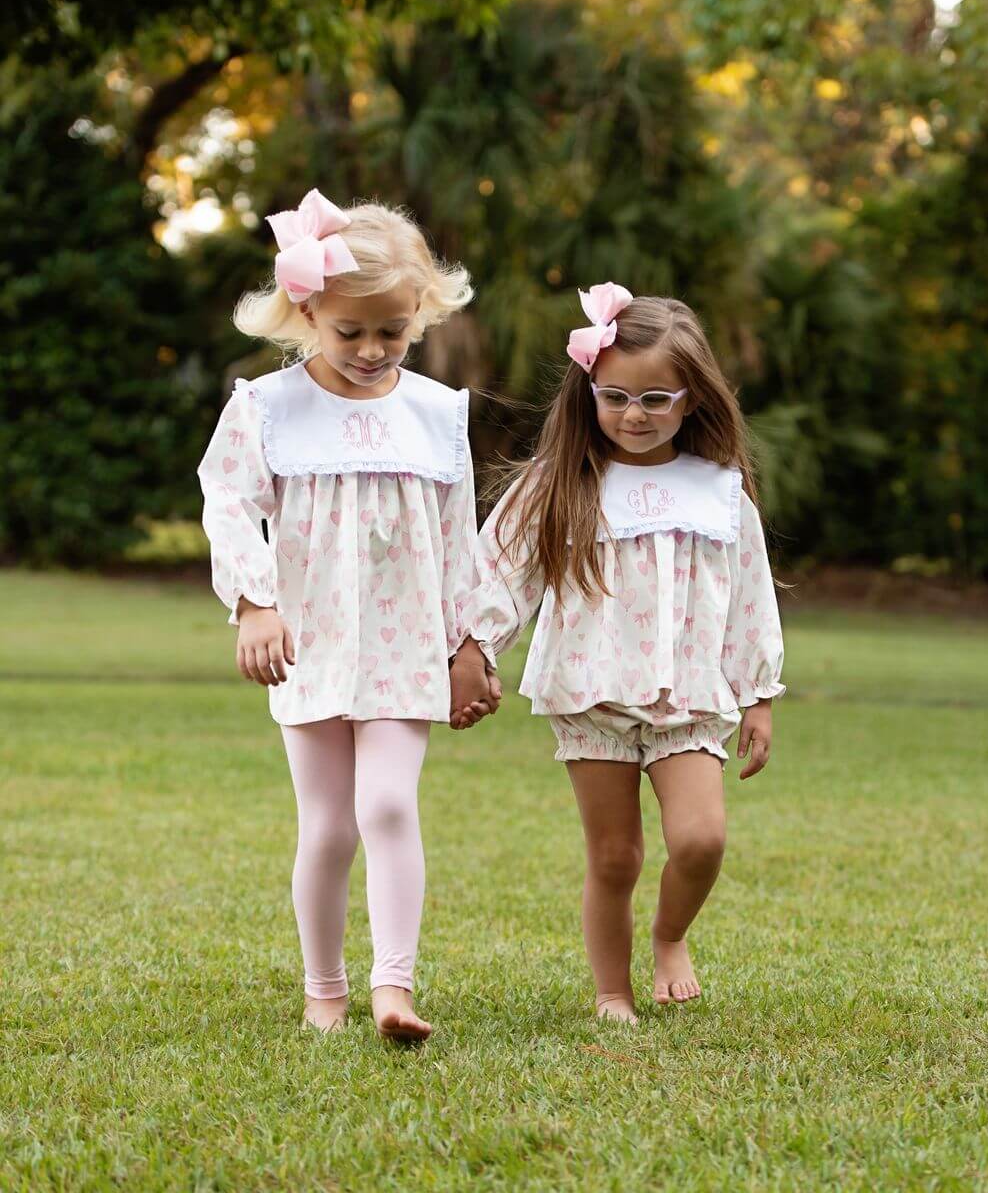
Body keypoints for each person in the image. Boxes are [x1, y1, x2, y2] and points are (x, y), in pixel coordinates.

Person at [199, 191, 498, 1040]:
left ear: (419, 315)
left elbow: (458, 536)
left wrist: (470, 641)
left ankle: (392, 989)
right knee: (328, 824)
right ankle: (323, 991)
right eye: (350, 331)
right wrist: (255, 602)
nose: (372, 350)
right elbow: (227, 502)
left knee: (390, 808)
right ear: (307, 314)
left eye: (392, 331)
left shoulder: (438, 413)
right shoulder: (267, 407)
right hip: (309, 644)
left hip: (408, 648)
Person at [450, 284, 784, 1023]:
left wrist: (758, 692)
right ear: (590, 393)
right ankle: (612, 992)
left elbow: (749, 594)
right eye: (616, 397)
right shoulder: (562, 484)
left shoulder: (719, 493)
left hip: (688, 698)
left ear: (692, 398)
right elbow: (501, 573)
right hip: (591, 693)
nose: (634, 415)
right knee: (615, 856)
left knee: (700, 838)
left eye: (656, 399)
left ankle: (670, 937)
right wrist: (474, 648)